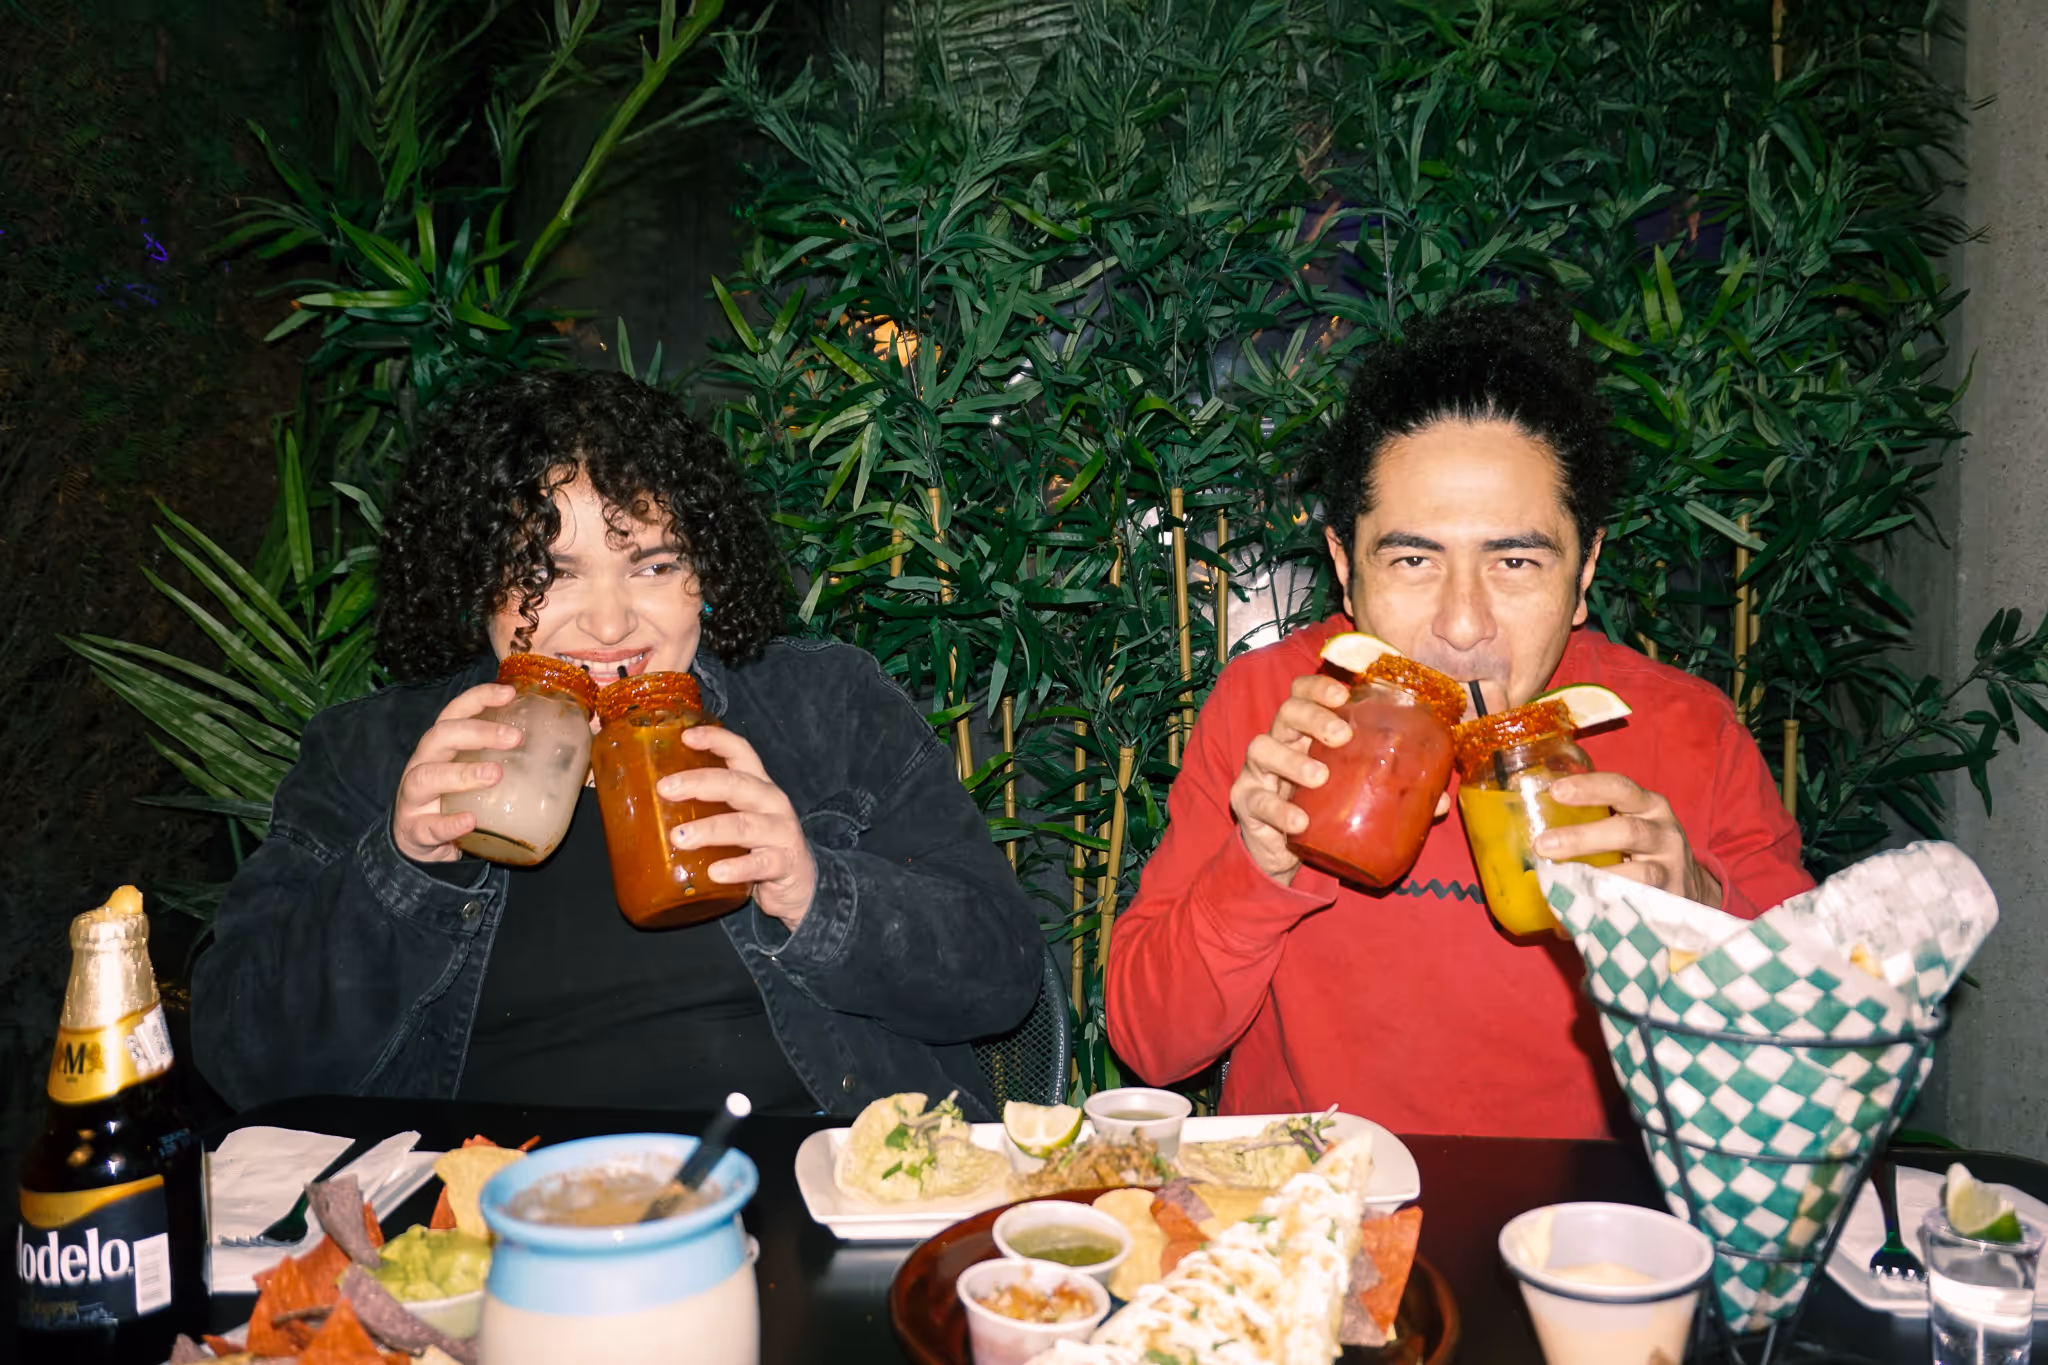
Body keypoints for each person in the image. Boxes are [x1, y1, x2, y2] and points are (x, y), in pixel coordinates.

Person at [192, 369, 1043, 1118]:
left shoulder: (827, 707)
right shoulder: (369, 754)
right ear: (475, 576)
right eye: (549, 573)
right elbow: (244, 1061)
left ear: (705, 576)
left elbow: (1003, 978)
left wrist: (813, 889)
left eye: (654, 565)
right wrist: (401, 867)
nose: (606, 623)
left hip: (814, 1179)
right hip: (489, 1223)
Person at [1105, 301, 1814, 1139]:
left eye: (1515, 561)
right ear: (1344, 564)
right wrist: (1259, 861)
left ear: (1585, 569)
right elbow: (1151, 1047)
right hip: (1313, 1222)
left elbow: (1812, 1074)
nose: (1464, 623)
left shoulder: (1683, 730)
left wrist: (1699, 914)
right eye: (1413, 559)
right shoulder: (1275, 710)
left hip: (1586, 1237)